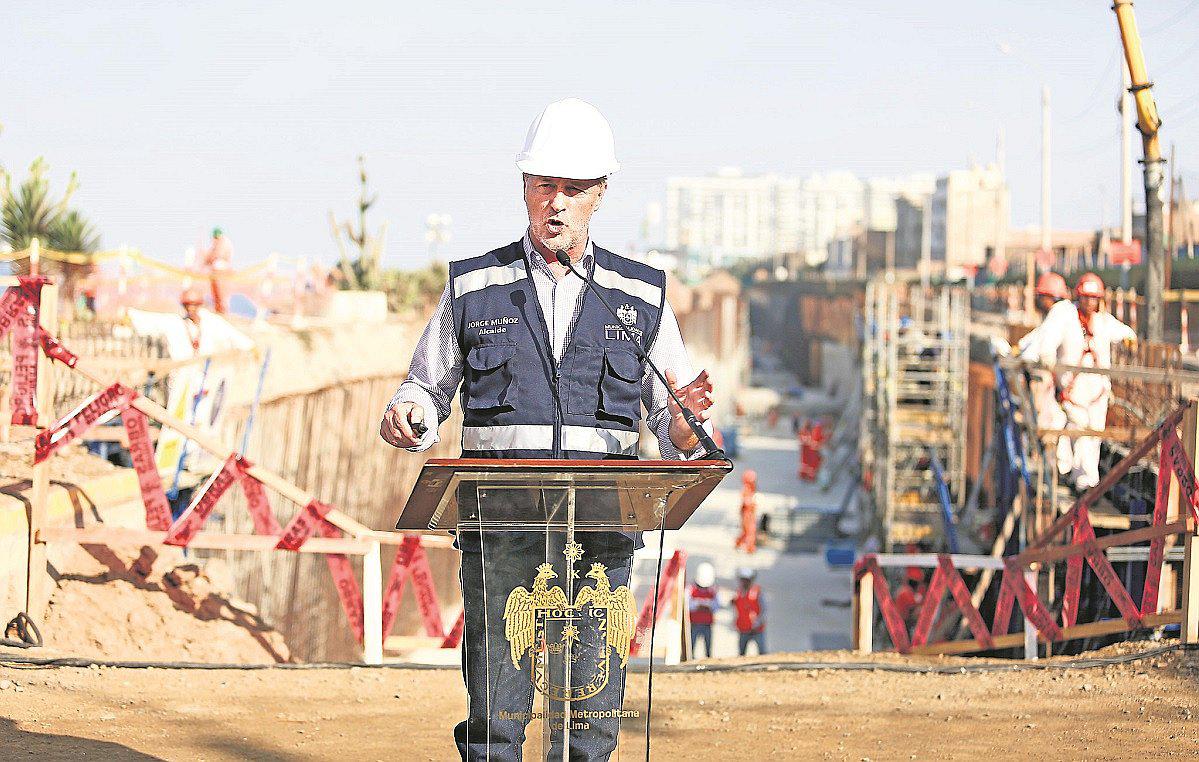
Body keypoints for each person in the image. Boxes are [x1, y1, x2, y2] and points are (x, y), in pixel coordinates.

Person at [379, 98, 715, 762]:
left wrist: (684, 423)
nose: (555, 203)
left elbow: (670, 413)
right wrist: (408, 415)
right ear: (524, 188)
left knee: (589, 717)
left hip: (599, 532)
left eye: (573, 189)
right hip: (500, 528)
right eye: (543, 186)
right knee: (496, 715)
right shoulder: (475, 287)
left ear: (600, 195)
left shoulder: (639, 295)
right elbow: (425, 387)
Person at [1022, 272, 1136, 491]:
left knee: (1093, 437)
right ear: (1078, 296)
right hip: (1074, 393)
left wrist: (1129, 338)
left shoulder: (1103, 322)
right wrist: (1047, 358)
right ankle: (1084, 483)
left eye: (1093, 298)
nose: (1089, 302)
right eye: (1085, 297)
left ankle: (1084, 481)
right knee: (1080, 435)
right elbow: (1048, 340)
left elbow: (1122, 331)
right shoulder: (1066, 316)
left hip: (1098, 393)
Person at [687, 562, 719, 658]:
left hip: (707, 624)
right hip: (694, 624)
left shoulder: (713, 590)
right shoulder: (690, 589)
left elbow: (716, 606)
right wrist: (699, 605)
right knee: (691, 647)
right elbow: (688, 605)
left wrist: (707, 606)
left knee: (708, 649)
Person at [732, 567, 766, 656]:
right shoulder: (738, 593)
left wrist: (758, 623)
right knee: (741, 654)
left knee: (762, 653)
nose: (744, 582)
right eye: (743, 580)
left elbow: (764, 609)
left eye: (746, 580)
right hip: (743, 629)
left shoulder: (757, 592)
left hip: (757, 630)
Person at [201, 227, 233, 314]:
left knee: (221, 294)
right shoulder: (215, 245)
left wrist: (208, 258)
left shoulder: (224, 244)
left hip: (221, 272)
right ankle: (219, 310)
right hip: (215, 271)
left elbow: (217, 255)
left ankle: (222, 311)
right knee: (216, 294)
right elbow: (209, 258)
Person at [735, 469, 758, 553]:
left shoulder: (752, 488)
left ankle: (738, 542)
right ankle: (750, 548)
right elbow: (746, 501)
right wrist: (753, 501)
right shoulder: (746, 488)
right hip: (747, 513)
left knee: (746, 531)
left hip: (750, 512)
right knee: (750, 530)